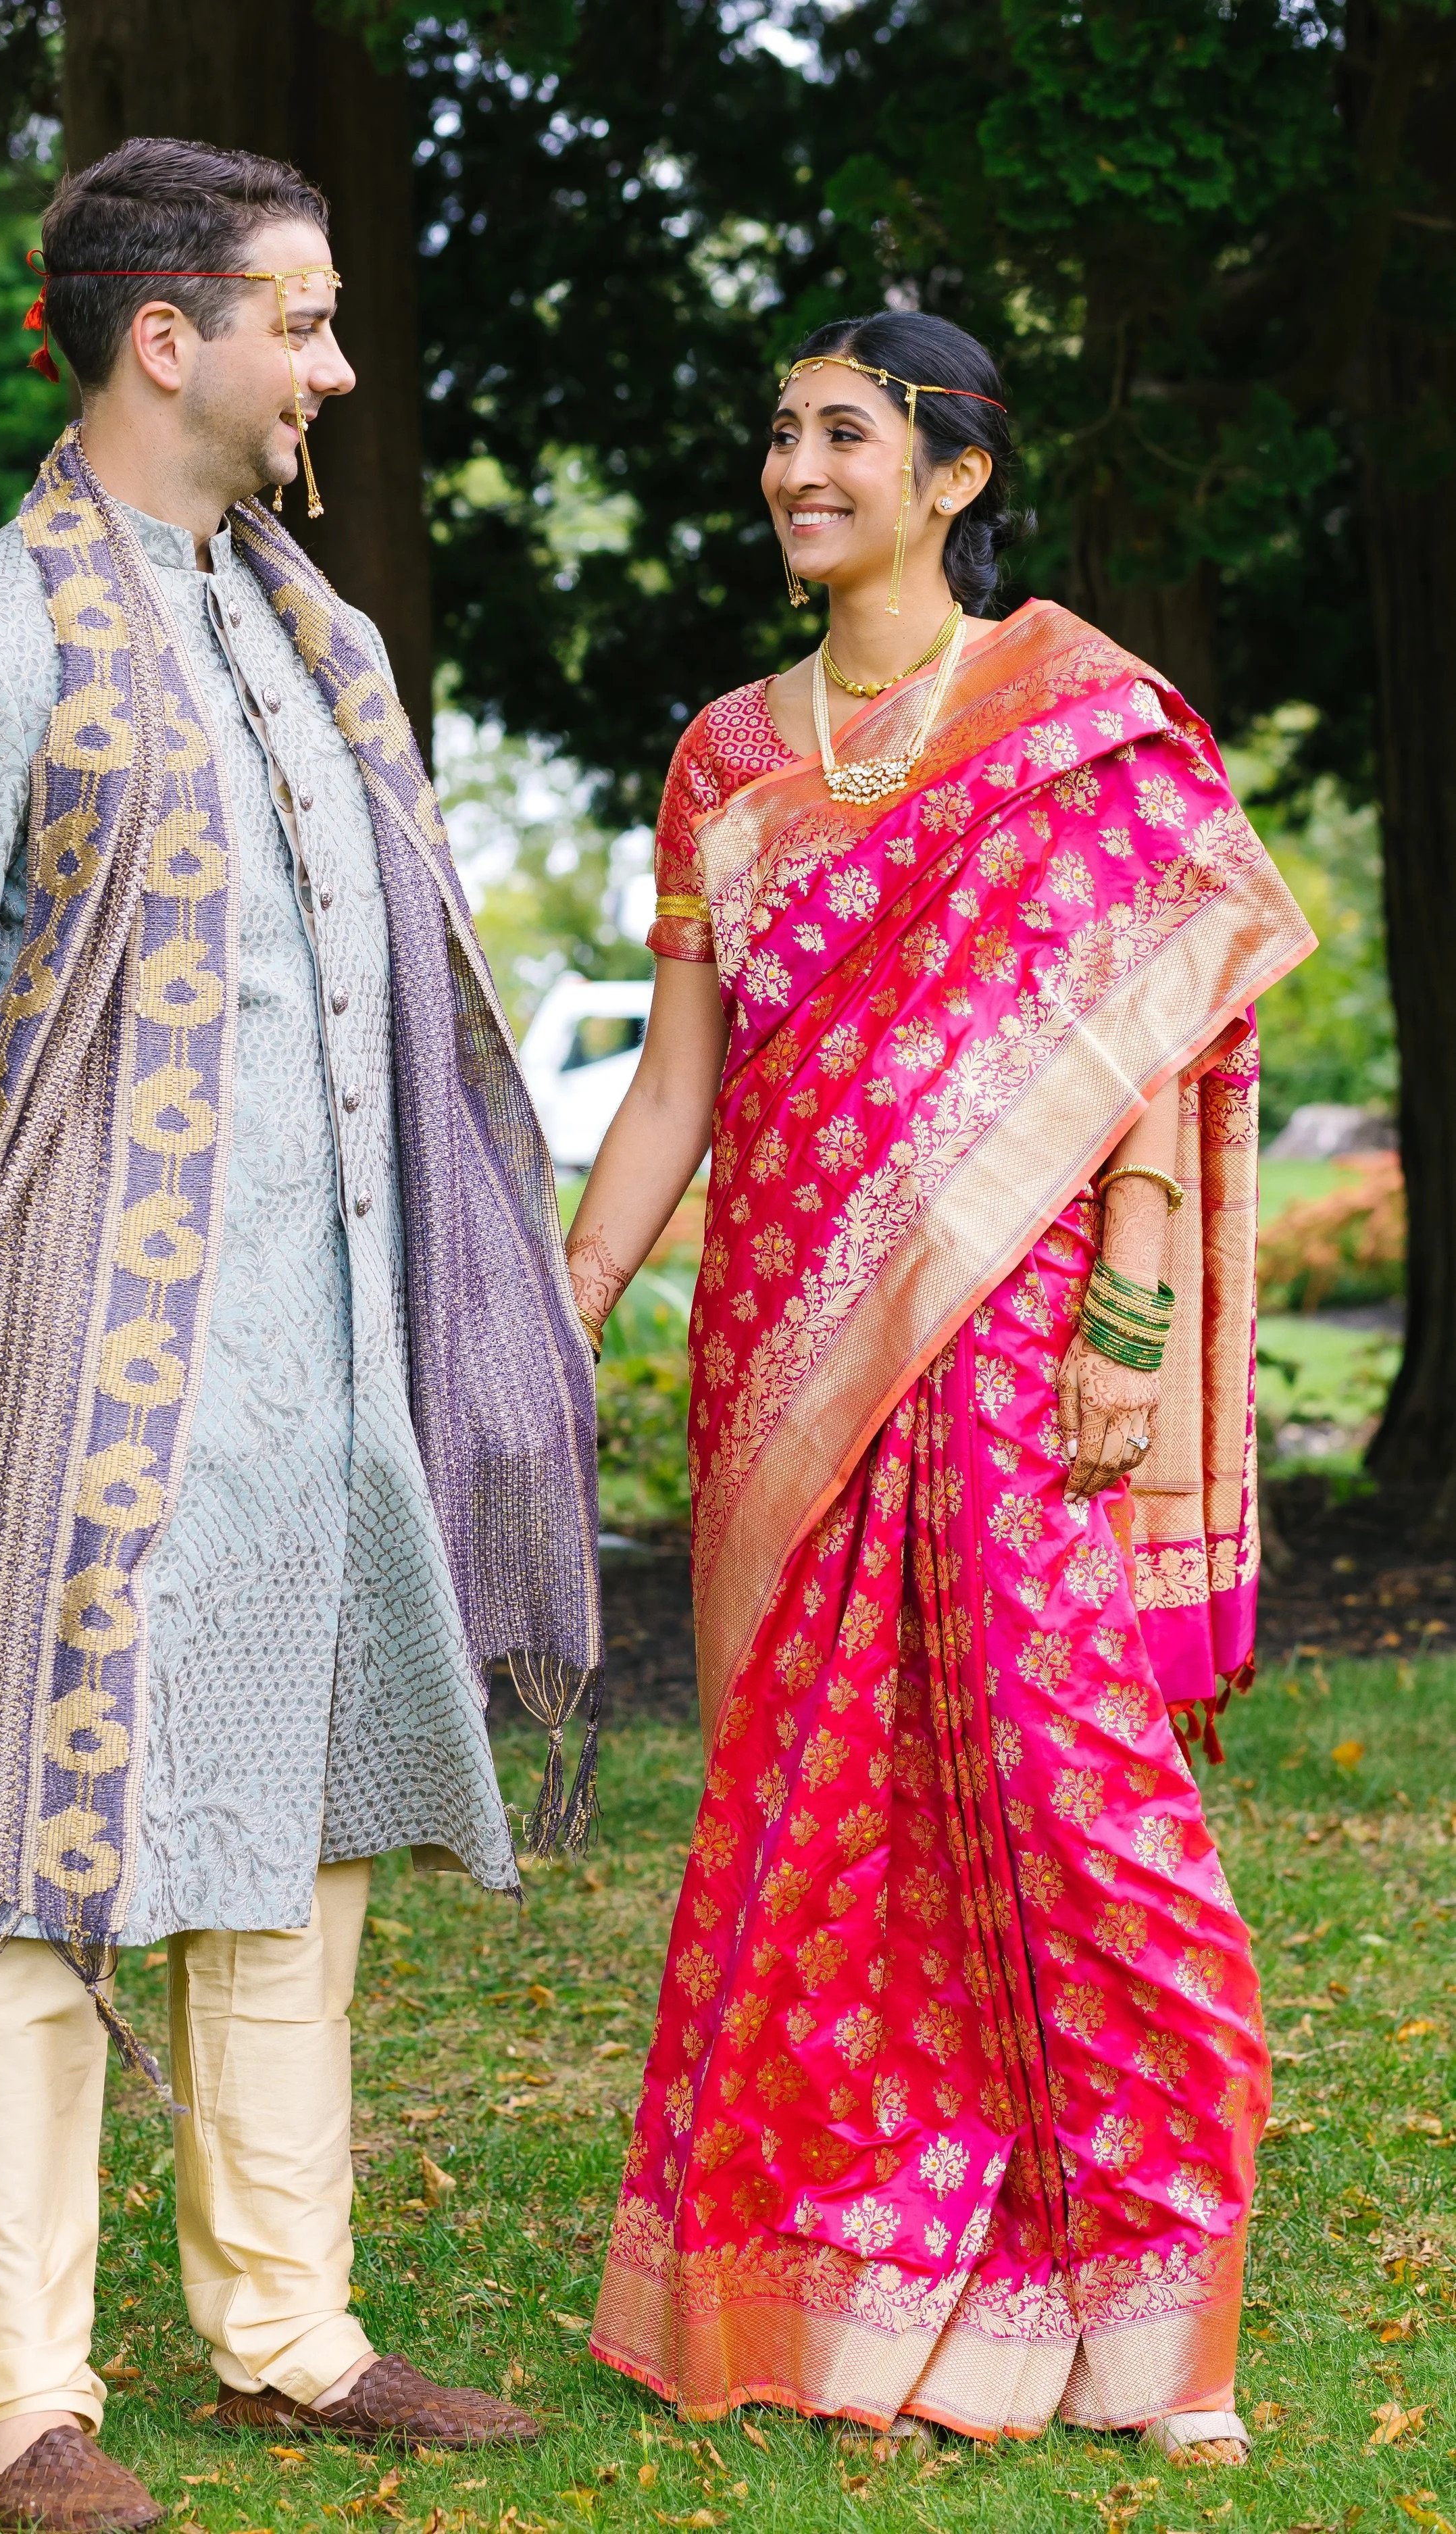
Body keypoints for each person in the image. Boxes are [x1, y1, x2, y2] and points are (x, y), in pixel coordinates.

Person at [0, 136, 601, 2531]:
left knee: (295, 1840)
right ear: (174, 337)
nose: (335, 365)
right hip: (88, 1383)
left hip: (330, 1378)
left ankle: (286, 2331)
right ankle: (17, 2391)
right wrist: (62, 1243)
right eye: (308, 318)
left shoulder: (313, 634)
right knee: (34, 1871)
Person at [572, 310, 1312, 2463]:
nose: (797, 469)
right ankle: (851, 2278)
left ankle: (1149, 2296)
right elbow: (677, 1080)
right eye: (781, 435)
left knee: (1074, 1797)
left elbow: (1156, 1015)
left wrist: (1131, 1311)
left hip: (1008, 1331)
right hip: (784, 1339)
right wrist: (582, 1284)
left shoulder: (1075, 717)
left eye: (841, 435)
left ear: (954, 476)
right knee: (813, 1820)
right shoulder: (723, 752)